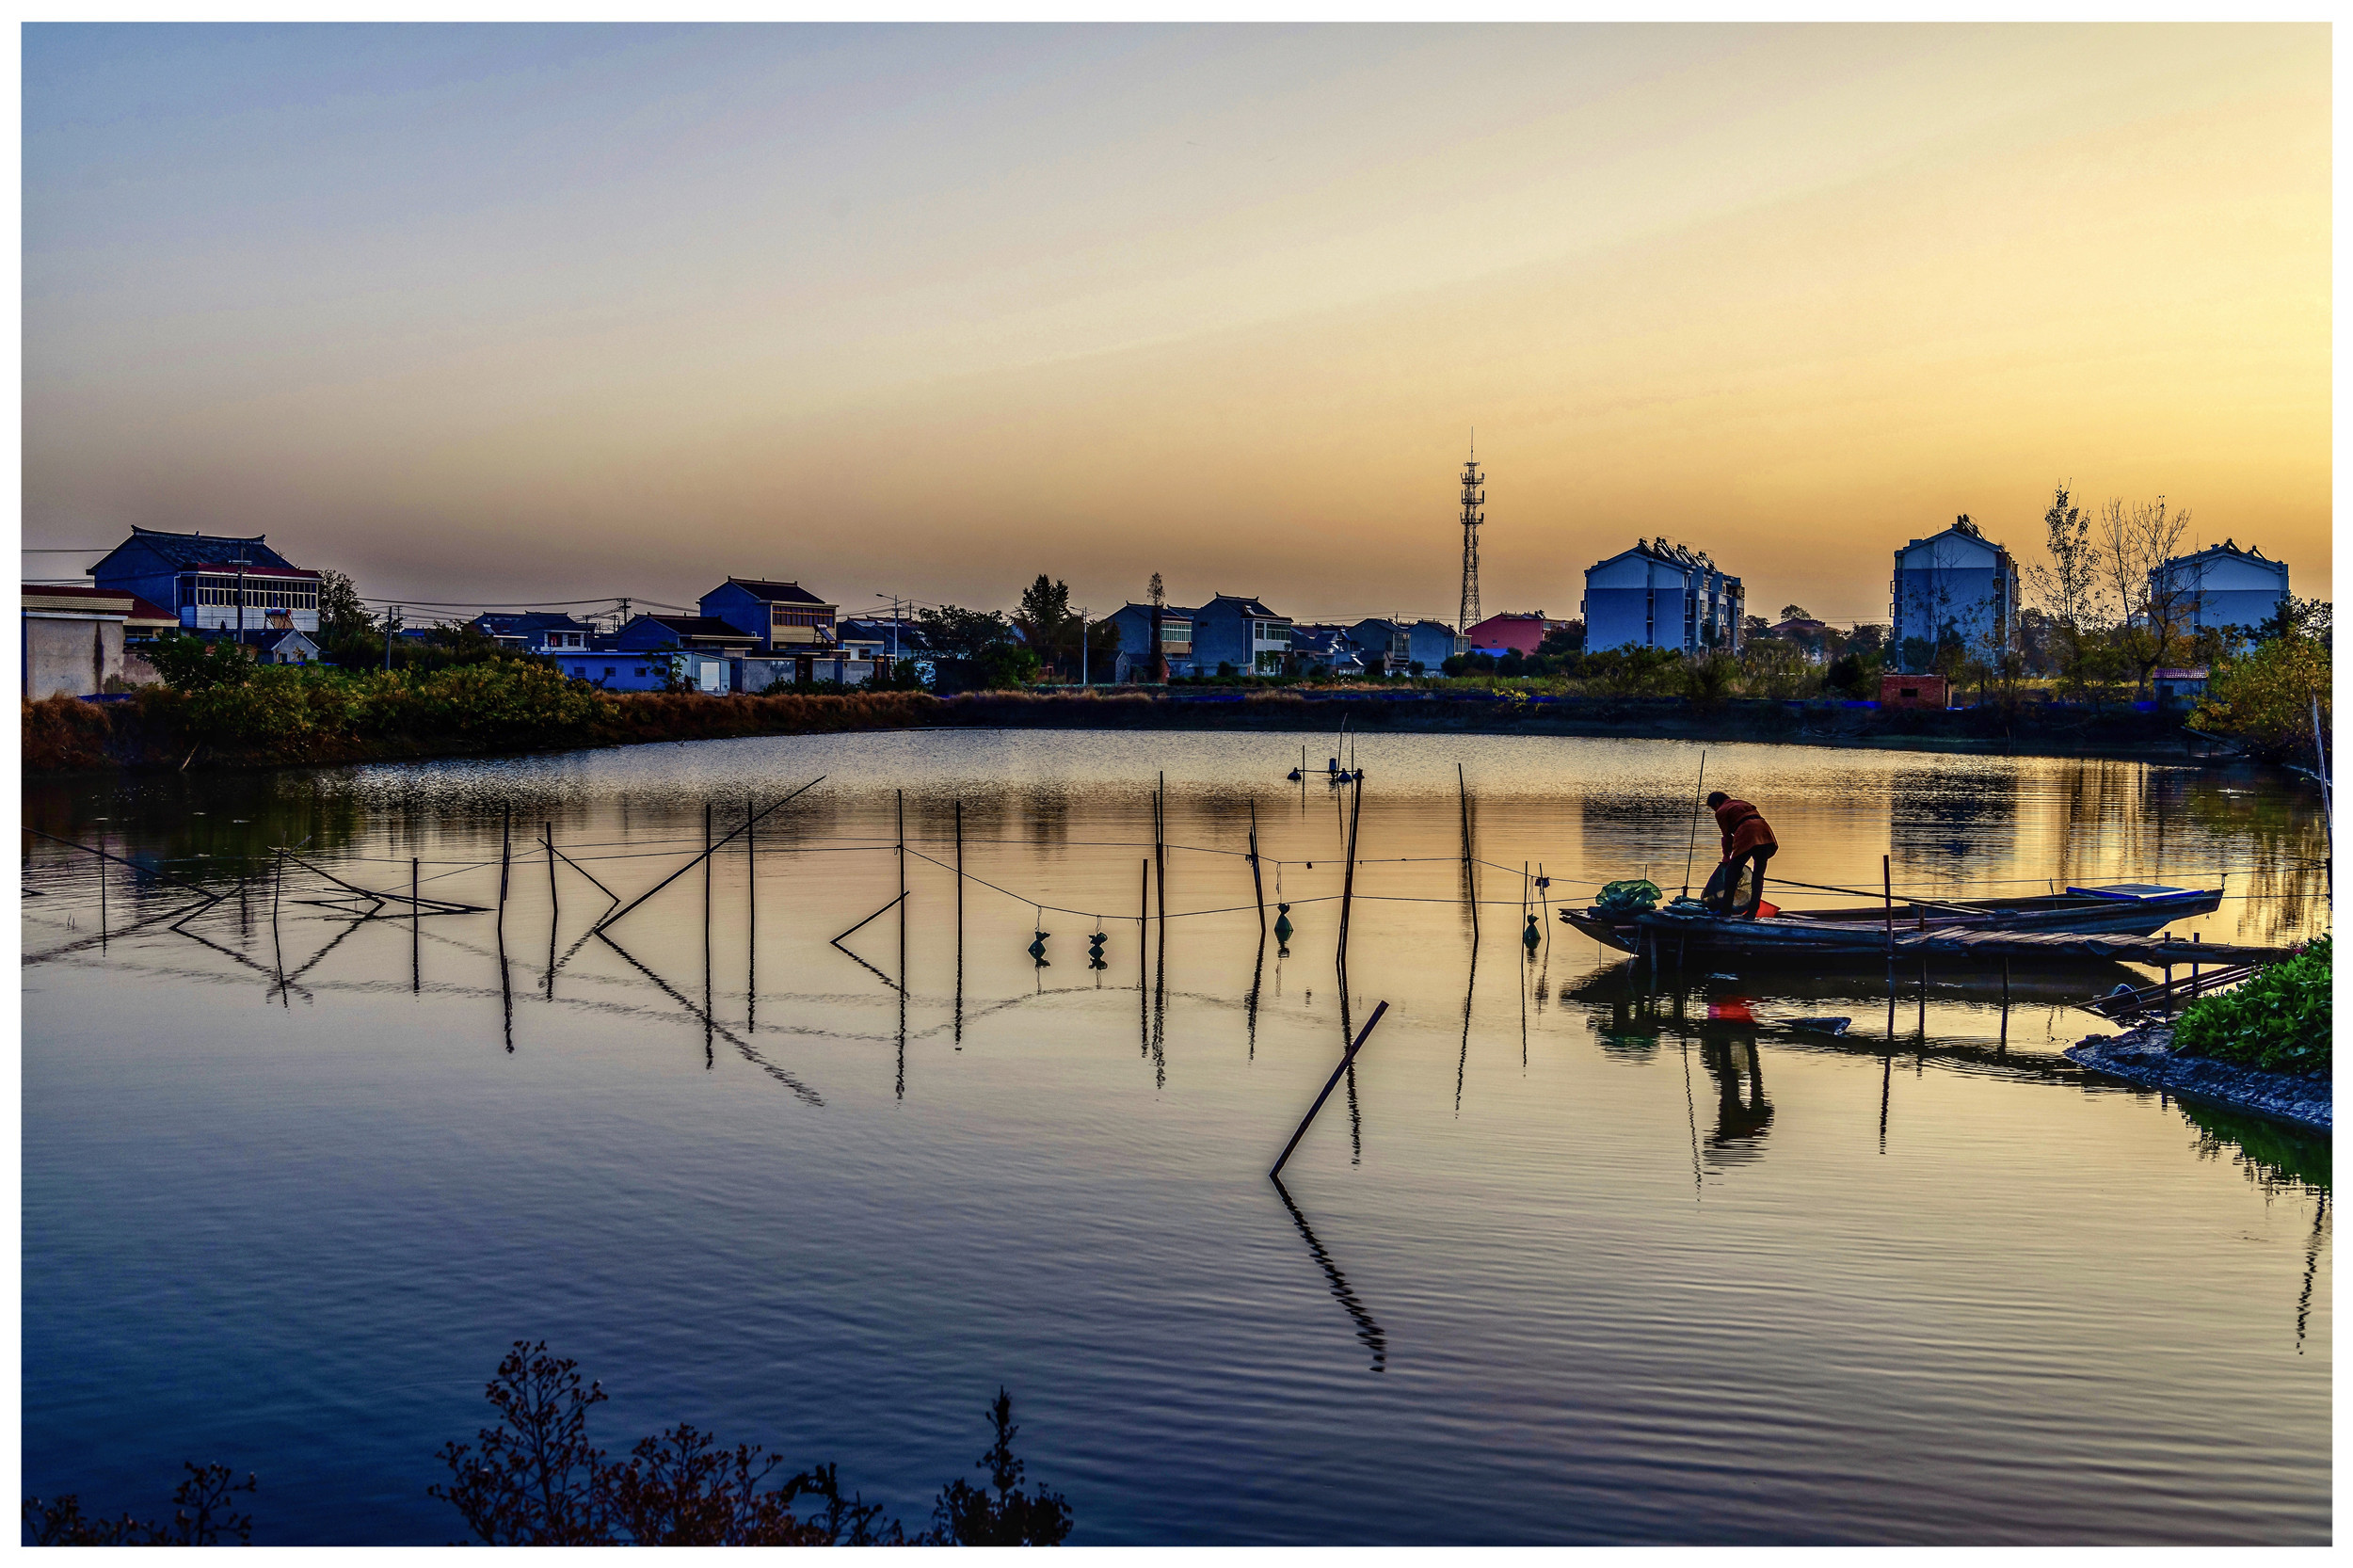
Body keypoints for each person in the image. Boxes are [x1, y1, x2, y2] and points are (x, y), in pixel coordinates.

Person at [1706, 791, 1777, 919]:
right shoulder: (1742, 803)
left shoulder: (1721, 810)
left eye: (1713, 808)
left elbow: (1727, 837)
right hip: (1765, 833)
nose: (1714, 810)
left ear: (1717, 803)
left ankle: (1725, 911)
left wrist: (1726, 857)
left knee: (1731, 874)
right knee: (1758, 877)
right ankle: (1752, 913)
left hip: (1747, 833)